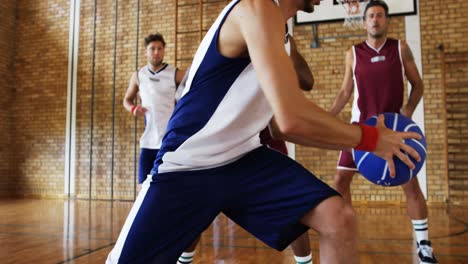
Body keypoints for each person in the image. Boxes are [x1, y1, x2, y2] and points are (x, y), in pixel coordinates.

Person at [107, 1, 421, 263]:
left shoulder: (280, 36)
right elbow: (290, 119)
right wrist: (371, 139)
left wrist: (355, 135)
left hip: (243, 158)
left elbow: (277, 124)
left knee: (339, 219)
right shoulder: (255, 8)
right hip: (187, 165)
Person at [329, 1, 437, 263]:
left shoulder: (400, 48)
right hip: (359, 131)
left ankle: (424, 246)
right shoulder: (353, 53)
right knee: (340, 182)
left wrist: (408, 111)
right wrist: (329, 116)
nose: (375, 20)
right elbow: (345, 91)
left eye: (379, 15)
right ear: (364, 22)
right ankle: (347, 236)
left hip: (392, 131)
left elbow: (418, 85)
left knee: (411, 184)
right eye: (370, 16)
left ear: (386, 20)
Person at [123, 33, 185, 185]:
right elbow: (126, 100)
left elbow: (194, 87)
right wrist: (132, 109)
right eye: (152, 49)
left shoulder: (175, 73)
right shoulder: (138, 75)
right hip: (148, 141)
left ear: (164, 50)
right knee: (143, 185)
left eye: (159, 48)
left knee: (169, 185)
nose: (156, 52)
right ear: (146, 51)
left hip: (169, 140)